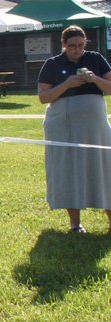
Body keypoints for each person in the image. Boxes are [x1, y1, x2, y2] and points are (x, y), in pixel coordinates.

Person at [37, 25, 111, 233]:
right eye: (72, 46)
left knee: (104, 168)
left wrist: (95, 79)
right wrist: (67, 84)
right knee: (69, 170)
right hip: (63, 127)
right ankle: (75, 224)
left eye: (80, 45)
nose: (77, 50)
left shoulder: (96, 59)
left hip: (95, 128)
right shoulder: (52, 64)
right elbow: (43, 97)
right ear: (63, 45)